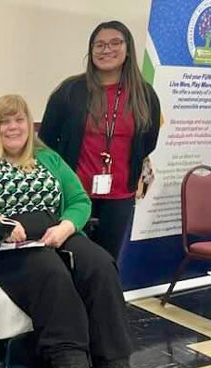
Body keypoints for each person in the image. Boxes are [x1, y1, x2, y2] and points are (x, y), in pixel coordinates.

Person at [0, 94, 161, 368]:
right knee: (52, 273)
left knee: (101, 265)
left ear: (28, 124)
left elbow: (78, 199)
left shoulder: (48, 158)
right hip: (9, 242)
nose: (12, 127)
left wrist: (66, 226)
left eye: (18, 120)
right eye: (4, 121)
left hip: (55, 232)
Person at [38, 20, 161, 260]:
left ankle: (99, 299)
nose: (106, 50)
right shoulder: (70, 90)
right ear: (91, 50)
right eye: (99, 44)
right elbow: (47, 140)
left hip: (119, 197)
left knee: (106, 261)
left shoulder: (144, 95)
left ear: (128, 49)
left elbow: (149, 141)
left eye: (115, 43)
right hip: (74, 194)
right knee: (68, 259)